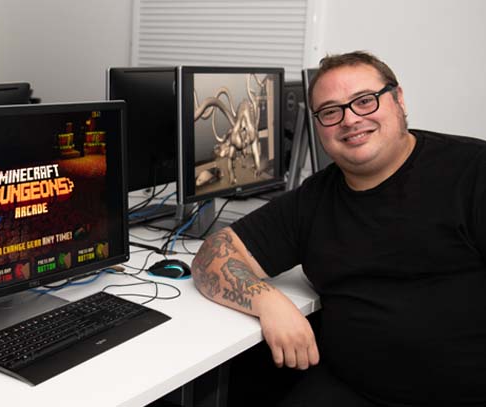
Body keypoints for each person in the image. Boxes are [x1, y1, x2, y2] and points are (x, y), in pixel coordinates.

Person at [191, 51, 486, 406]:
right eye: (331, 111)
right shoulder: (314, 199)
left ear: (399, 99)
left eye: (364, 101)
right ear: (318, 125)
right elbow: (213, 254)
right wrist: (267, 302)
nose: (350, 120)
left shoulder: (472, 172)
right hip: (351, 388)